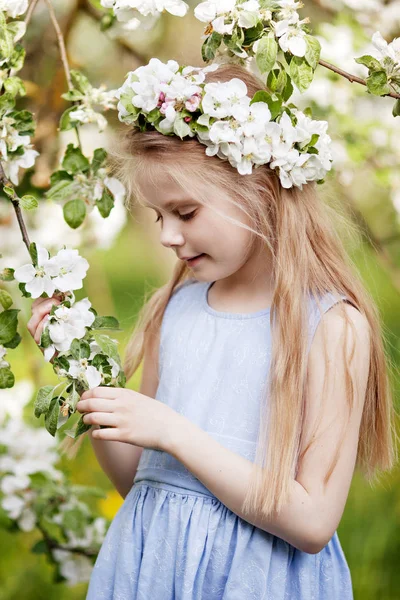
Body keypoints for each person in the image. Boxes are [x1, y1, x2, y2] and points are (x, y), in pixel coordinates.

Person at [27, 61, 397, 599]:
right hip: (152, 567)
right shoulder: (173, 308)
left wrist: (173, 432)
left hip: (254, 579)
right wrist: (87, 387)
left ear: (262, 189)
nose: (169, 237)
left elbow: (314, 522)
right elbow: (140, 482)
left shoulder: (330, 327)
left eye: (186, 211)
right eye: (158, 217)